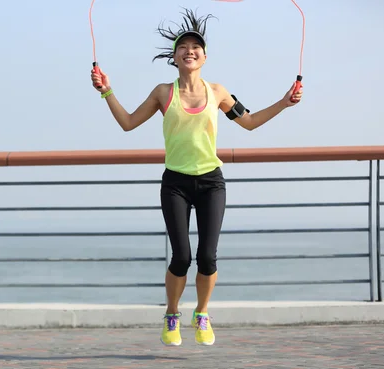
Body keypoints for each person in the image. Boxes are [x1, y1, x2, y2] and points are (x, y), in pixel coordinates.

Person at [90, 8, 303, 346]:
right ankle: (171, 313)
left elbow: (248, 122)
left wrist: (284, 103)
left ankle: (202, 313)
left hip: (210, 182)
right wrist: (106, 91)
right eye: (183, 47)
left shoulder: (217, 92)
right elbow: (128, 123)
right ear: (174, 57)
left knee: (207, 257)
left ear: (204, 57)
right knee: (182, 257)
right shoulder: (163, 92)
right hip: (175, 183)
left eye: (196, 48)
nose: (190, 51)